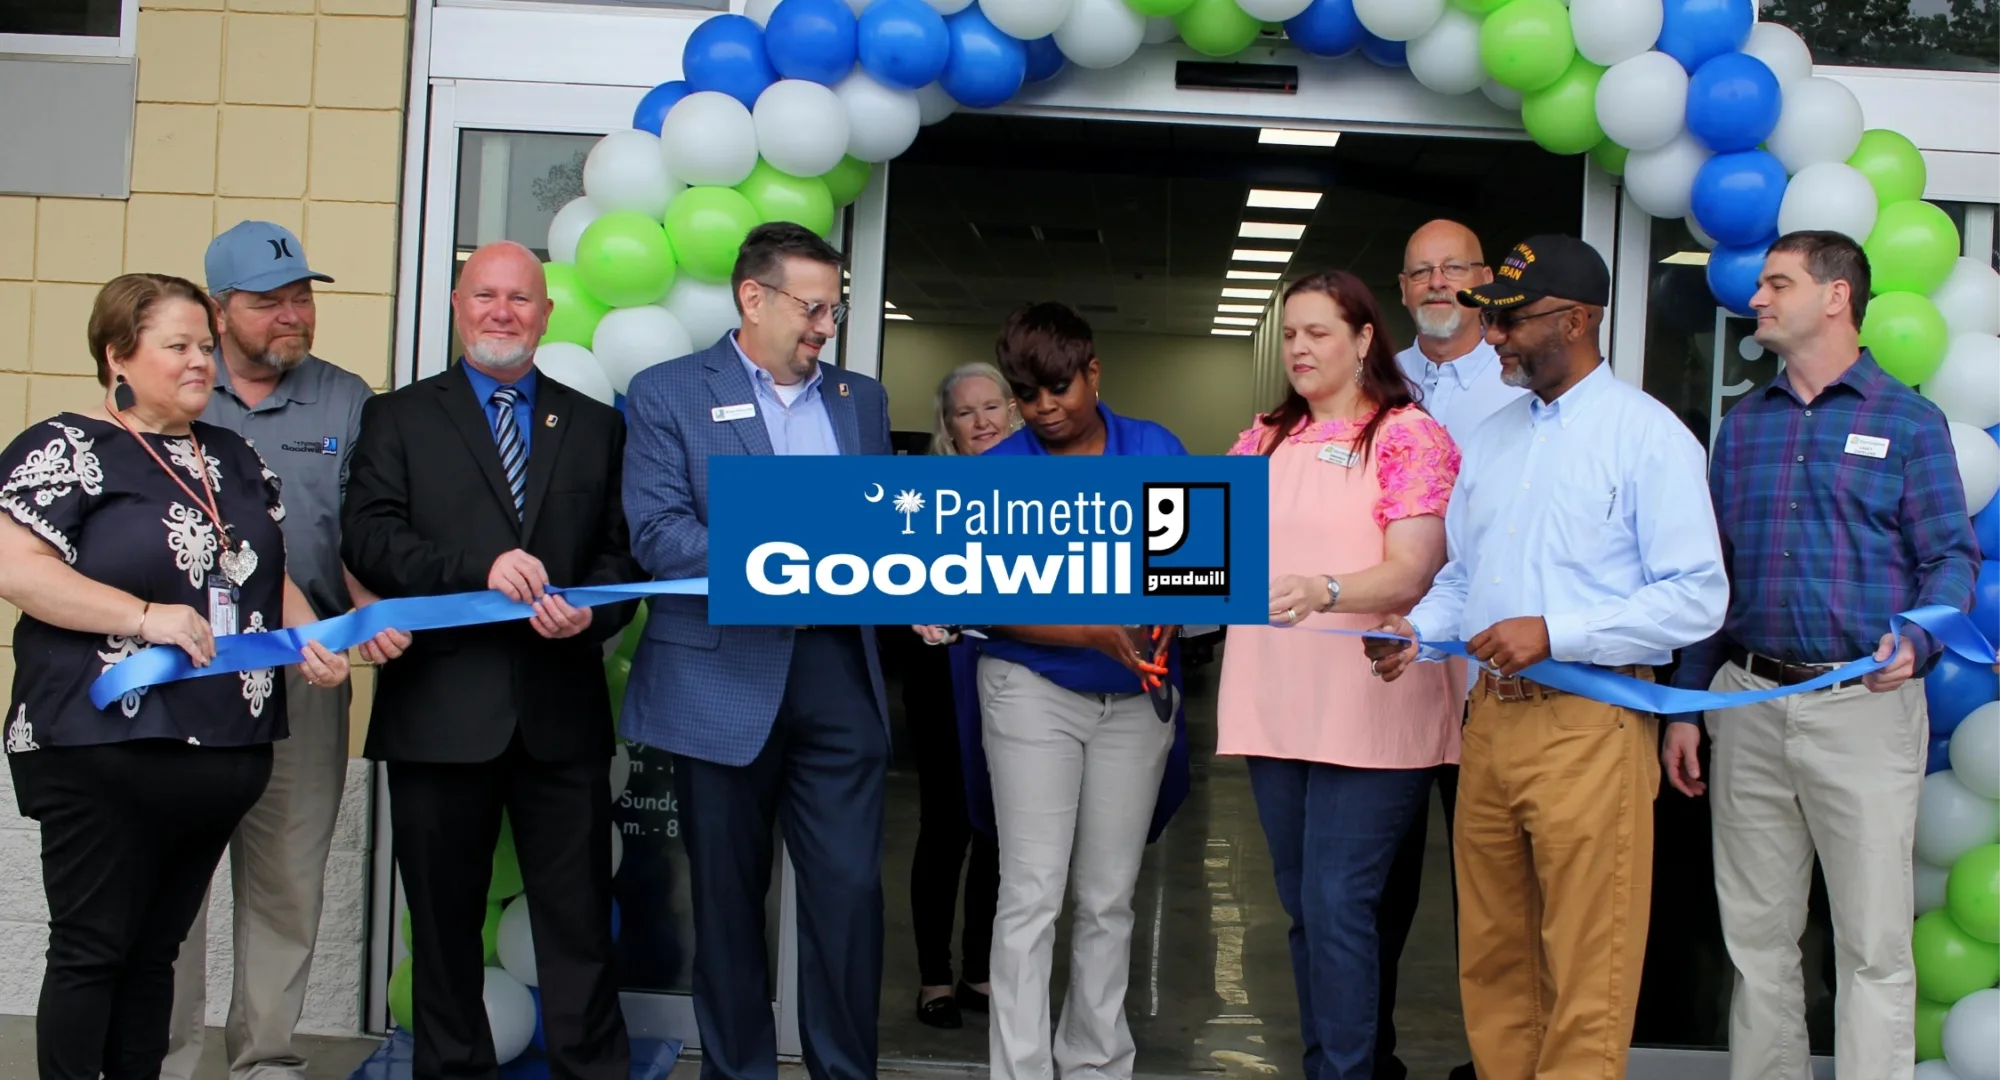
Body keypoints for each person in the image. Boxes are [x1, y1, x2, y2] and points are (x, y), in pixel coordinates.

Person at [1368, 235, 1728, 1080]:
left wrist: (1555, 631)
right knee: (1492, 956)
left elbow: (1694, 596)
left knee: (1586, 965)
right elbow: (1464, 574)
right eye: (1491, 320)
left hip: (1591, 724)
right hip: (1490, 722)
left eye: (1511, 321)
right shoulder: (1494, 439)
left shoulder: (1647, 437)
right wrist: (1418, 632)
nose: (1491, 336)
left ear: (1576, 320)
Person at [0, 273, 351, 1080]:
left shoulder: (232, 453)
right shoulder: (67, 447)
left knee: (154, 953)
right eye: (179, 347)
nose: (202, 362)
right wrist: (143, 616)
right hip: (102, 746)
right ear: (118, 354)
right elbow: (18, 570)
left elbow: (269, 572)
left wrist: (312, 637)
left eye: (205, 345)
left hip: (224, 751)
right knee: (95, 948)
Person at [1661, 231, 1980, 1080]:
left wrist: (1916, 639)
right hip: (1747, 704)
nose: (1756, 299)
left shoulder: (1908, 422)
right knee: (1757, 940)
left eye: (1776, 283)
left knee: (1873, 943)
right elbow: (1713, 579)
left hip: (1863, 708)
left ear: (1835, 296)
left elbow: (1951, 557)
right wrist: (1690, 704)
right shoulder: (1742, 432)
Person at [341, 241, 637, 1080]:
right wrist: (479, 570)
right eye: (485, 295)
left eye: (520, 298)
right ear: (458, 307)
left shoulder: (595, 425)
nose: (502, 311)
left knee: (578, 927)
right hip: (438, 712)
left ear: (547, 314)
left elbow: (622, 560)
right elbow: (370, 537)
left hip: (560, 713)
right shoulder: (397, 417)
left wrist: (589, 612)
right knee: (441, 927)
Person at [618, 222, 894, 1080]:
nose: (826, 326)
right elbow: (661, 537)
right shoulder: (667, 392)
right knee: (729, 907)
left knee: (849, 899)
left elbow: (883, 530)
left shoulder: (862, 400)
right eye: (813, 308)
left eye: (835, 309)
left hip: (837, 675)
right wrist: (796, 538)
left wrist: (917, 586)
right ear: (752, 297)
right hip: (720, 676)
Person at [163, 220, 410, 1080]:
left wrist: (369, 612)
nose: (293, 315)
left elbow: (354, 532)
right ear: (218, 310)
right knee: (175, 884)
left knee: (287, 876)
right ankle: (166, 1056)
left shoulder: (346, 398)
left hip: (305, 672)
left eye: (302, 297)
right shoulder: (179, 390)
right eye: (269, 302)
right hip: (186, 676)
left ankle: (264, 1059)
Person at [1216, 270, 1463, 1080]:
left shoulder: (1407, 435)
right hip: (1276, 700)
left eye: (1319, 332)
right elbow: (1196, 552)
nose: (1299, 348)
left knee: (1338, 904)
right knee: (1302, 908)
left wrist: (1325, 589)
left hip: (1371, 698)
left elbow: (1412, 571)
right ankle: (1329, 1064)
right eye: (1290, 334)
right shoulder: (1261, 438)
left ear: (1364, 340)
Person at [967, 302, 1192, 1080]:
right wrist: (1094, 630)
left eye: (1059, 388)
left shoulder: (1155, 449)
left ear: (1094, 373)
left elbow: (1187, 576)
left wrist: (1165, 624)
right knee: (1032, 894)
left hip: (1134, 705)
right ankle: (1021, 1069)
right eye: (1027, 395)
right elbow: (984, 602)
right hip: (1034, 691)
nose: (1044, 409)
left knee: (1107, 897)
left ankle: (1096, 1063)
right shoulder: (1000, 473)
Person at [1380, 218, 1523, 1080]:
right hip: (1391, 673)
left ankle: (1491, 1061)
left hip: (1489, 678)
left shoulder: (1518, 386)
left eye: (1454, 270)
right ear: (1401, 291)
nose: (1437, 285)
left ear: (1482, 282)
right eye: (1420, 273)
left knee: (1493, 889)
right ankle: (1372, 1058)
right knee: (1380, 886)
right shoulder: (1374, 383)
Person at [905, 362, 1017, 1029]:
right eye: (964, 412)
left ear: (1013, 409)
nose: (981, 422)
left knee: (1001, 826)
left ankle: (980, 969)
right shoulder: (926, 490)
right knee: (945, 823)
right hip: (941, 672)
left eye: (991, 407)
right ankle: (932, 976)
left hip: (1018, 670)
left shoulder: (1042, 486)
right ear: (947, 424)